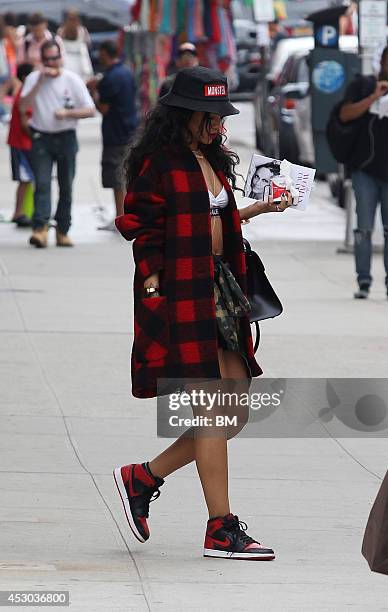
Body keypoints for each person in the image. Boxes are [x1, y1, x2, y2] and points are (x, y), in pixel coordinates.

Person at [113, 66, 292, 561]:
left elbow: (217, 217)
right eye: (208, 116)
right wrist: (152, 283)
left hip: (222, 290)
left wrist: (259, 209)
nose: (217, 125)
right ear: (184, 114)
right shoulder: (160, 164)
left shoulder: (213, 159)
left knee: (231, 413)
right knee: (213, 412)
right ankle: (221, 527)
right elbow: (139, 226)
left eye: (220, 116)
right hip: (180, 294)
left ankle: (142, 476)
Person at [340, 44, 388, 301]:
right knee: (364, 228)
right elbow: (345, 115)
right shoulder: (363, 84)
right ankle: (364, 282)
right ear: (381, 62)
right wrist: (374, 97)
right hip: (364, 169)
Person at [20, 39, 95, 248]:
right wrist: (39, 83)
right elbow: (23, 105)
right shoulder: (34, 78)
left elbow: (90, 109)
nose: (52, 63)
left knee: (66, 186)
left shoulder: (72, 79)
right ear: (41, 60)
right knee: (42, 184)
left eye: (55, 58)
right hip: (41, 137)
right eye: (48, 59)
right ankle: (40, 228)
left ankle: (62, 229)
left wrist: (68, 113)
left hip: (66, 137)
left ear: (61, 57)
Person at [87, 40, 138, 231]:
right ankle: (125, 215)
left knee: (116, 176)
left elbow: (104, 108)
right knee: (126, 174)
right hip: (129, 129)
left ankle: (121, 217)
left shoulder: (109, 78)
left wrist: (92, 91)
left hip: (114, 132)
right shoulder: (126, 72)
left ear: (105, 53)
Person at [7, 62, 34, 227]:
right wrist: (37, 137)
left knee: (26, 179)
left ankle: (22, 211)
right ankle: (19, 212)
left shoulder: (23, 92)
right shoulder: (25, 94)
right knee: (25, 178)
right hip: (22, 143)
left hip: (20, 142)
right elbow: (25, 123)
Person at [57, 9, 93, 81]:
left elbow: (88, 46)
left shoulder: (83, 31)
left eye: (74, 19)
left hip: (80, 62)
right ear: (66, 20)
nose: (72, 21)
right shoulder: (61, 31)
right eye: (70, 19)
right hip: (66, 62)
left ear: (78, 20)